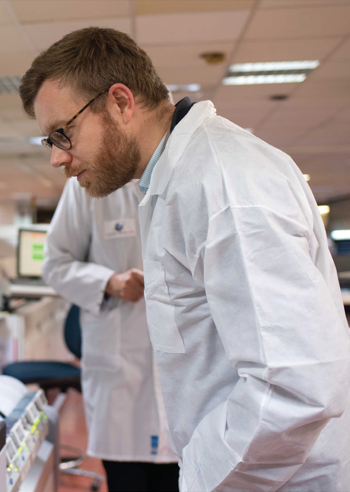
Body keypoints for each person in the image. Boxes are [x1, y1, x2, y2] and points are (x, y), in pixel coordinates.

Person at [20, 27, 350, 491]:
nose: (56, 159)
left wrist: (198, 477)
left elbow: (292, 389)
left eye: (62, 133)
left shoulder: (224, 186)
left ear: (120, 102)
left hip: (262, 474)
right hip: (233, 457)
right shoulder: (173, 180)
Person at [43, 176, 179, 491]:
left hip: (186, 376)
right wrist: (109, 282)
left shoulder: (190, 175)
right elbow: (55, 264)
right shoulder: (87, 185)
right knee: (125, 478)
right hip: (121, 380)